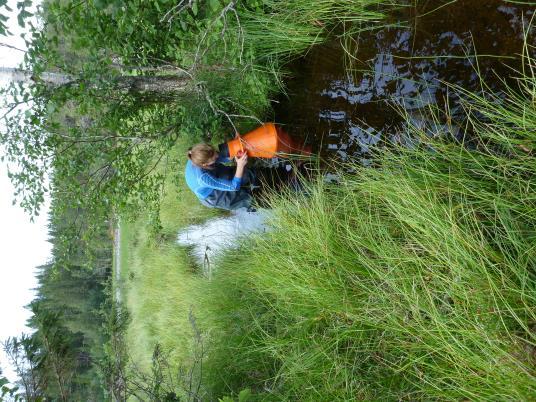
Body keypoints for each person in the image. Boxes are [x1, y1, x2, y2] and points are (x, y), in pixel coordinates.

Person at [185, 143, 255, 211]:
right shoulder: (203, 178)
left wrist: (234, 153)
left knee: (246, 174)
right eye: (214, 158)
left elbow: (221, 157)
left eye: (215, 152)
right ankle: (253, 203)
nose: (217, 155)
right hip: (213, 195)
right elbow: (234, 187)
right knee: (243, 198)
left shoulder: (198, 154)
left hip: (212, 172)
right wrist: (240, 165)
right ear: (205, 164)